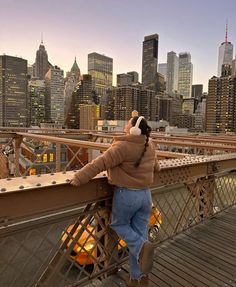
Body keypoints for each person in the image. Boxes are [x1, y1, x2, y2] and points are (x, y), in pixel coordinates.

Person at [70, 116, 160, 287]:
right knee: (139, 235)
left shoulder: (122, 146)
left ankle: (142, 248)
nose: (125, 125)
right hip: (145, 195)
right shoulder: (149, 144)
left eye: (127, 123)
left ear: (132, 129)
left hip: (127, 195)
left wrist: (80, 177)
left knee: (119, 225)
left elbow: (100, 163)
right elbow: (156, 167)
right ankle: (138, 279)